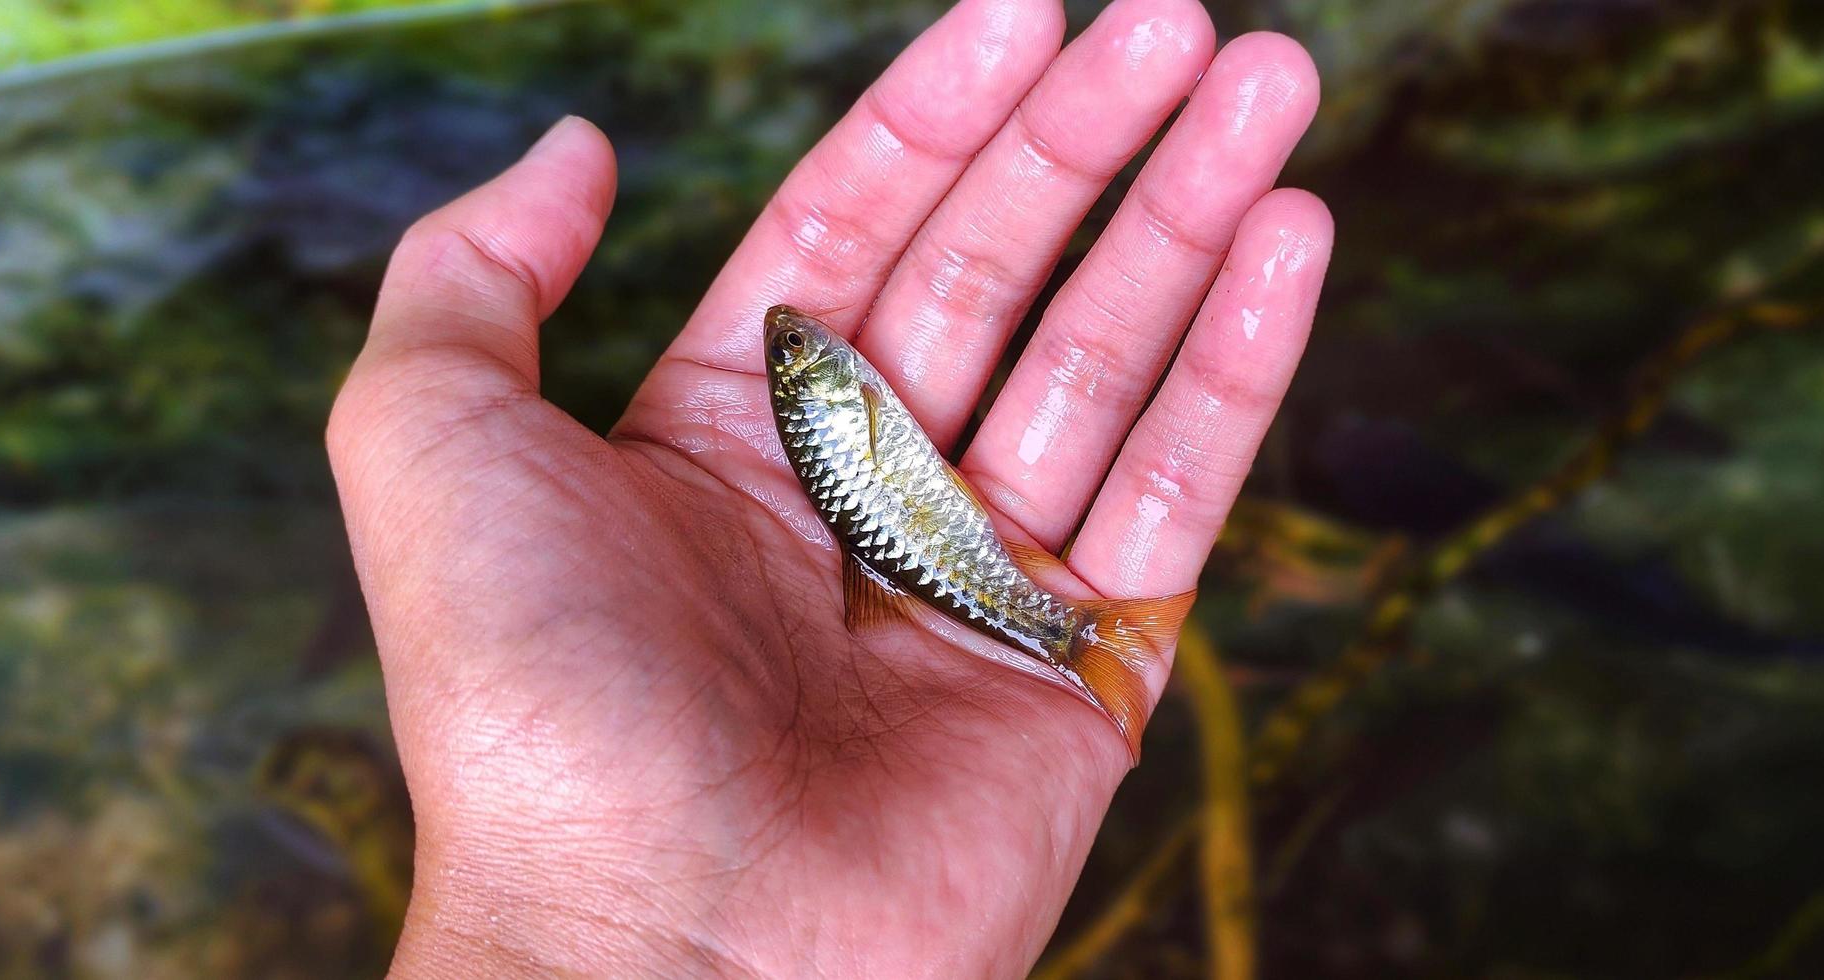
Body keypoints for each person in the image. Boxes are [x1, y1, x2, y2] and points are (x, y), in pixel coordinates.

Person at [325, 0, 1331, 973]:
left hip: (928, 554)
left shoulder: (831, 408)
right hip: (959, 566)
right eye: (803, 351)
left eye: (794, 348)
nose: (802, 343)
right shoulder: (827, 396)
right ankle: (1077, 638)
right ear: (830, 386)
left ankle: (1078, 638)